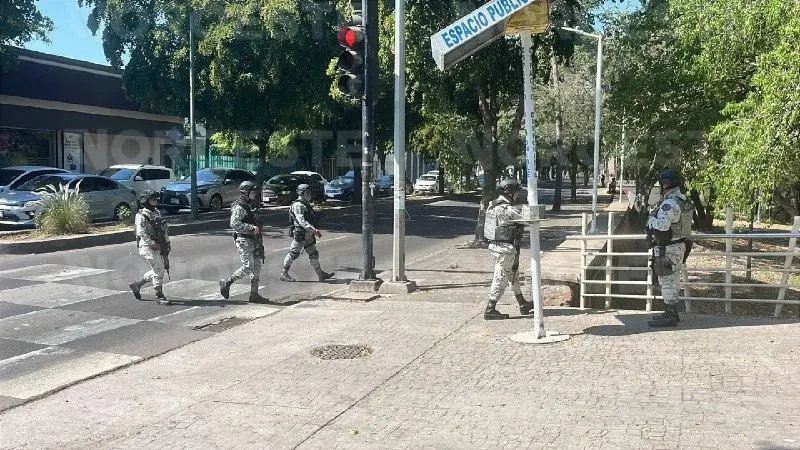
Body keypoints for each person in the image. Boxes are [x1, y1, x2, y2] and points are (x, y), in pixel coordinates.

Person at [646, 168, 694, 327]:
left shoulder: (669, 203)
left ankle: (669, 314)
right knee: (674, 279)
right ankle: (672, 312)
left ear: (666, 185)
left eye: (661, 184)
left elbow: (662, 226)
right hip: (681, 246)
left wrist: (650, 221)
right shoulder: (683, 200)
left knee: (666, 280)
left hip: (668, 248)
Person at [482, 178, 535, 320]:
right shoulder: (507, 209)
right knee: (501, 277)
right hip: (505, 249)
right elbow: (529, 219)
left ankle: (522, 303)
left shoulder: (492, 205)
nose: (517, 195)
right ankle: (490, 308)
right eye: (516, 193)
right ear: (510, 193)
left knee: (513, 275)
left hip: (497, 246)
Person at [219, 181, 270, 303]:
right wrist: (251, 228)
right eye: (253, 192)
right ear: (246, 192)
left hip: (255, 240)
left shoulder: (250, 204)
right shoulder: (240, 206)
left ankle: (254, 294)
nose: (255, 194)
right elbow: (234, 223)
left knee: (257, 267)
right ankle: (227, 282)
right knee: (248, 267)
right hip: (244, 240)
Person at [280, 184, 334, 282]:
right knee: (293, 254)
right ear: (302, 193)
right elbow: (301, 221)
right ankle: (284, 273)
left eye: (309, 193)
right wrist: (314, 230)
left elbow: (309, 217)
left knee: (313, 254)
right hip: (301, 234)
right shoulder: (298, 205)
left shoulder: (304, 204)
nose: (309, 195)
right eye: (307, 193)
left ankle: (320, 274)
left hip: (308, 235)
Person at [129, 190, 171, 305]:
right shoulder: (141, 215)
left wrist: (167, 242)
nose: (155, 201)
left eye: (155, 199)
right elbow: (141, 232)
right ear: (146, 201)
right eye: (152, 199)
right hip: (148, 247)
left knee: (159, 269)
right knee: (159, 270)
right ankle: (159, 295)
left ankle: (137, 285)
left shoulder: (157, 212)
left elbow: (163, 229)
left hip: (159, 245)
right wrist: (152, 243)